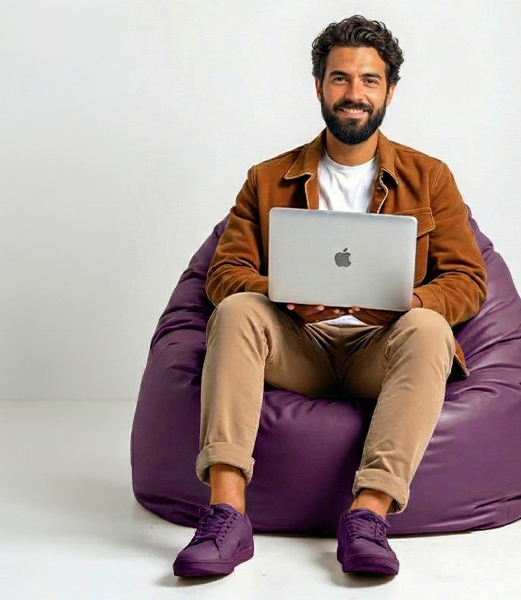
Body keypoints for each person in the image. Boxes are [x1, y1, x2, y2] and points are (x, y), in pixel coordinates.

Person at [171, 15, 487, 577]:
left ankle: (367, 516)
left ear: (389, 91)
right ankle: (226, 515)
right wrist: (285, 295)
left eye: (369, 80)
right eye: (340, 78)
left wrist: (408, 304)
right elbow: (225, 274)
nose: (354, 93)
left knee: (430, 327)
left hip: (380, 349)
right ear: (319, 86)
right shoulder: (266, 177)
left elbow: (467, 281)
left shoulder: (430, 176)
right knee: (238, 309)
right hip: (298, 345)